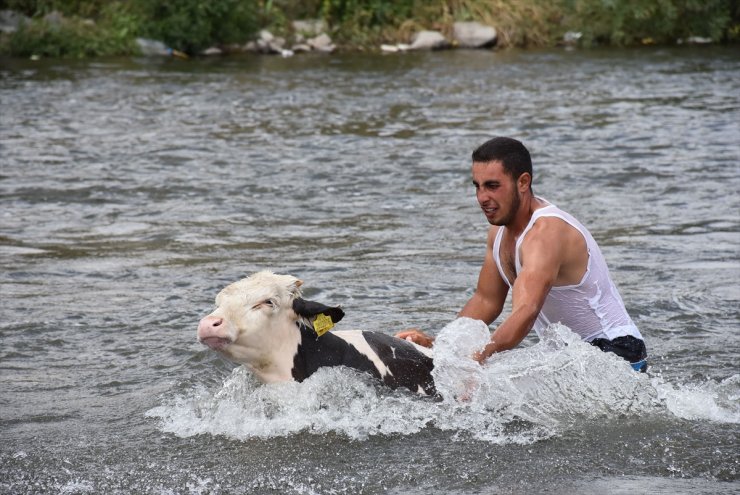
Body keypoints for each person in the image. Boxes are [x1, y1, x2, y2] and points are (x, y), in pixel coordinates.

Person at [396, 137, 648, 372]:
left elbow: (526, 310)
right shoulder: (497, 234)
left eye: (493, 186)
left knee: (488, 380)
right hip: (570, 357)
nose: (483, 197)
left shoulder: (546, 233)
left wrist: (475, 360)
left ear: (523, 182)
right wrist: (438, 347)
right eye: (478, 187)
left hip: (618, 354)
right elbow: (486, 301)